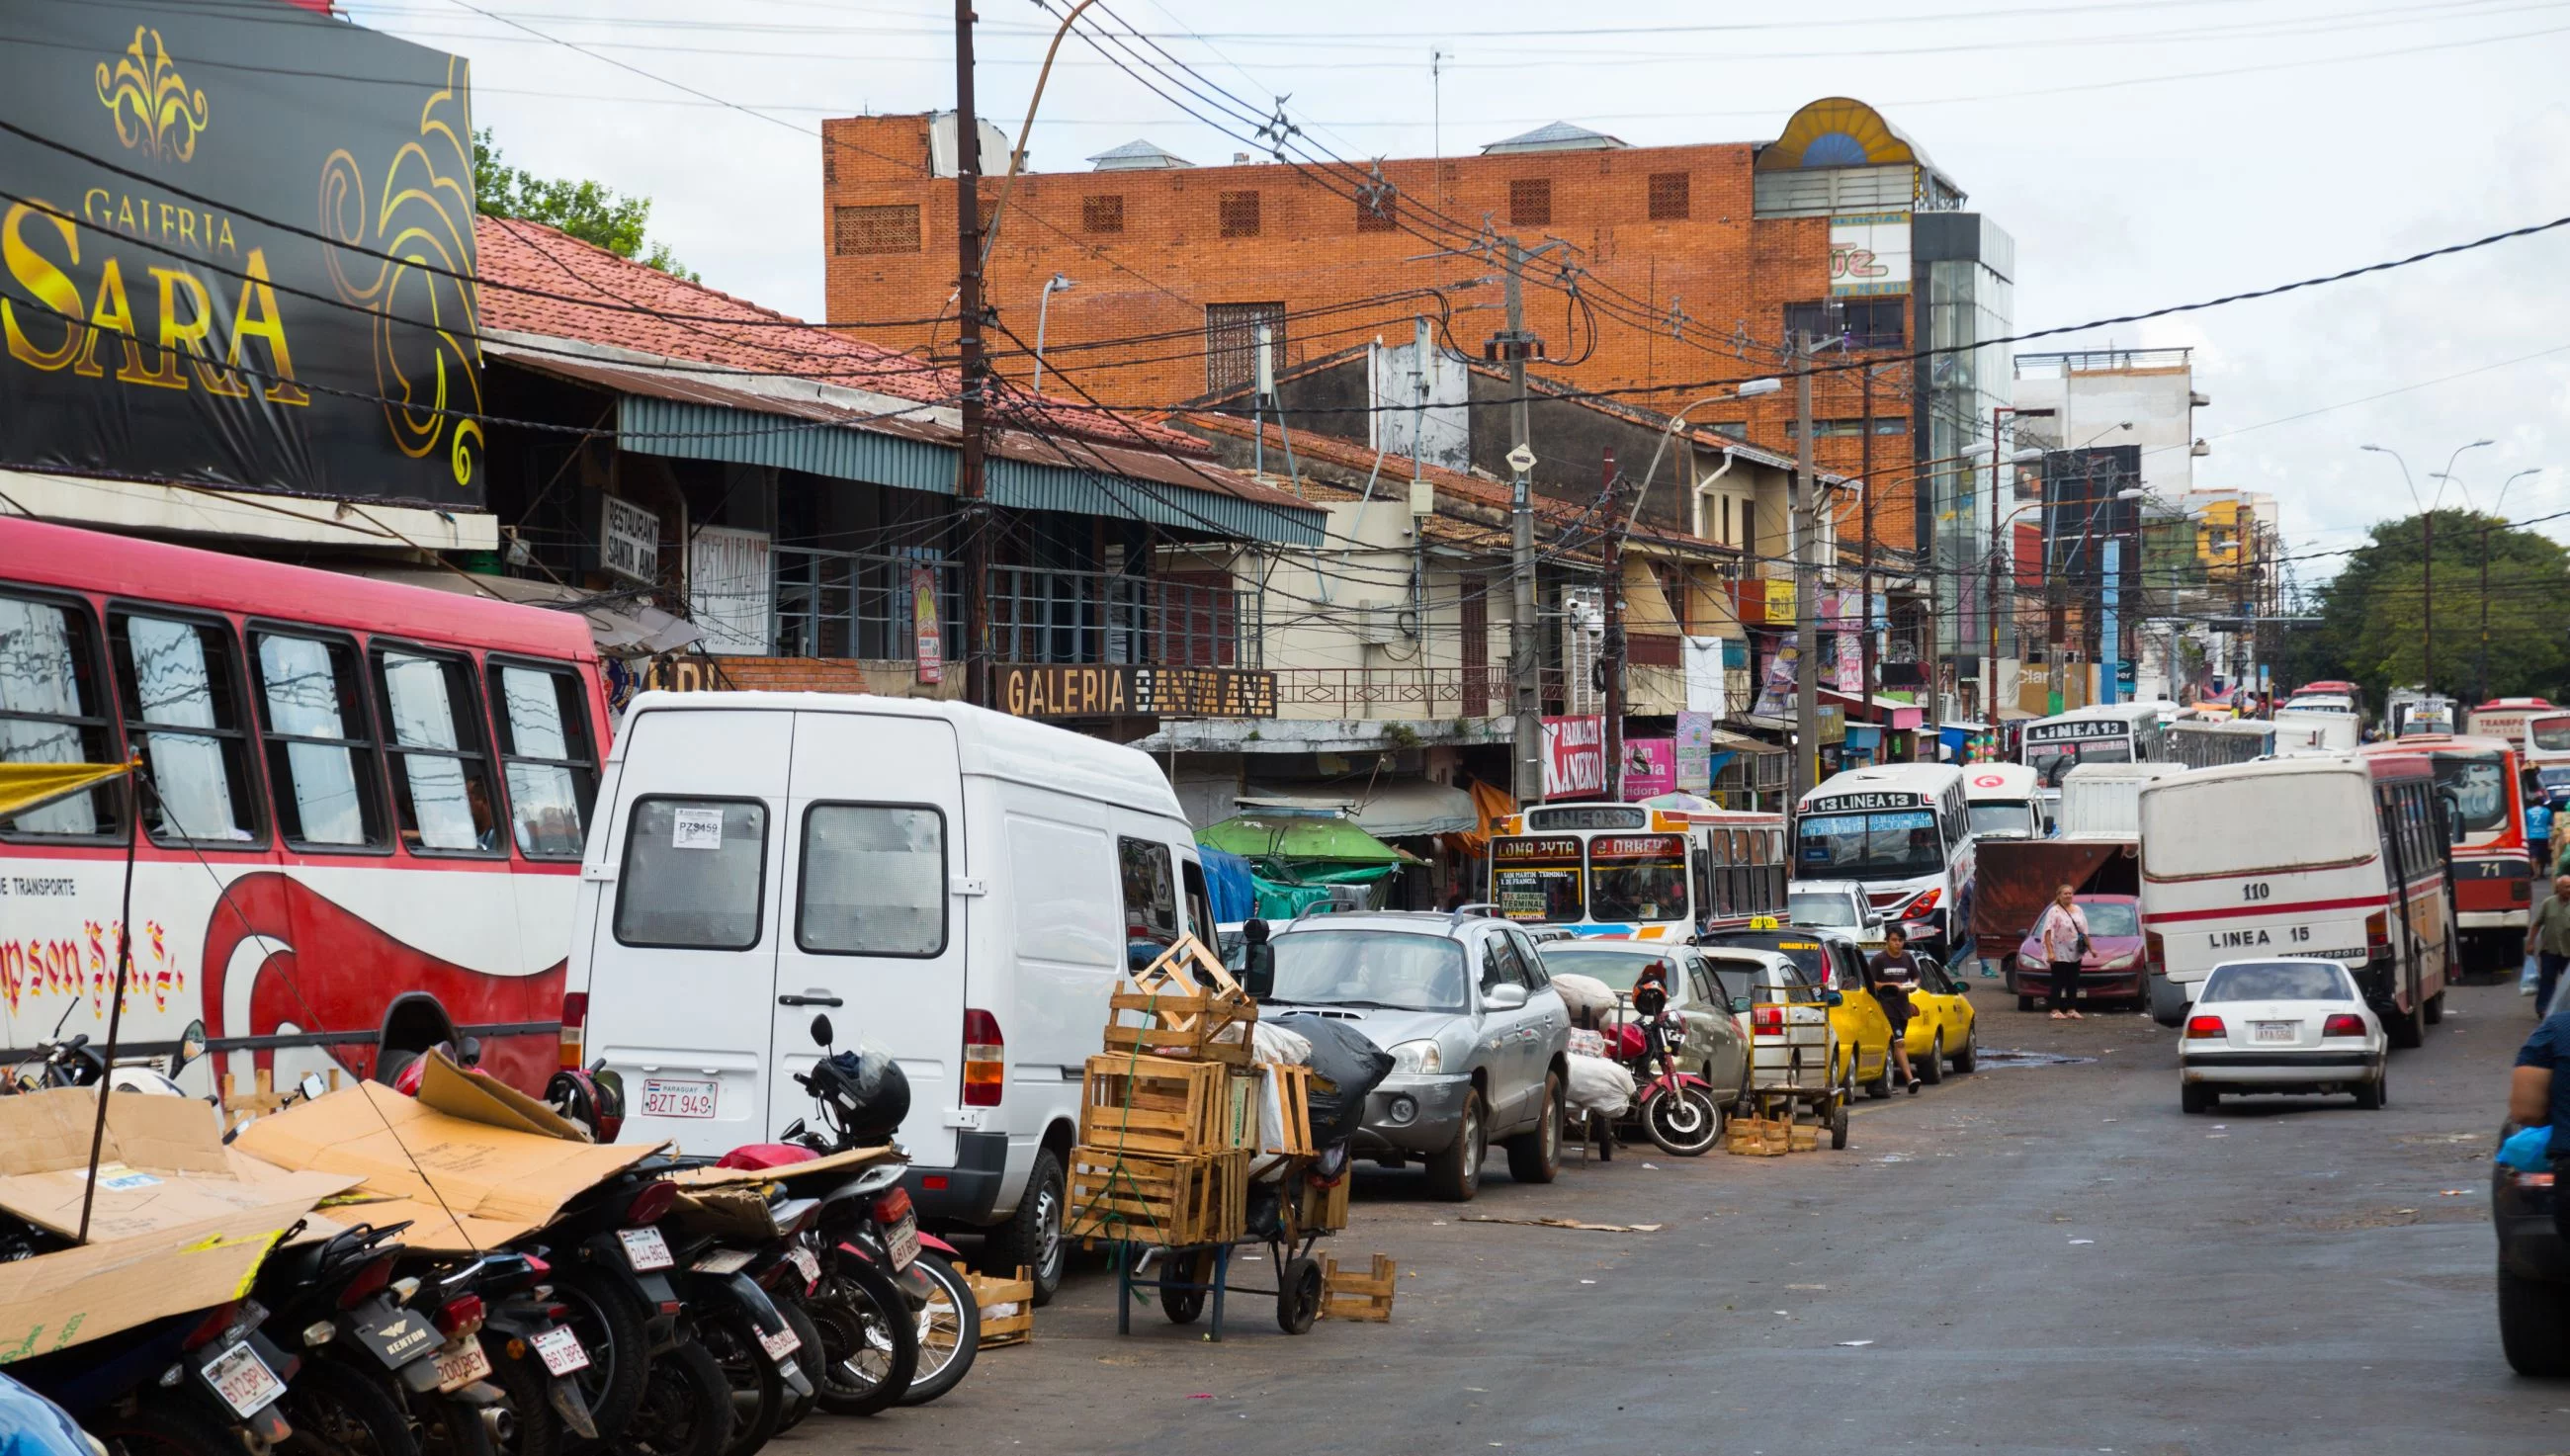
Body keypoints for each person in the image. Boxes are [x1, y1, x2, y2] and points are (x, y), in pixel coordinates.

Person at [1866, 927, 1925, 1094]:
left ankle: (1884, 1083)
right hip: (1886, 1007)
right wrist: (1889, 986)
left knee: (1893, 1045)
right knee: (1899, 1042)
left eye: (1900, 940)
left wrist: (1913, 985)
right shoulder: (1879, 960)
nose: (1897, 943)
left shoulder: (1907, 958)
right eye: (1894, 940)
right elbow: (1871, 983)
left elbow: (1916, 977)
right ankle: (1909, 1079)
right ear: (1887, 941)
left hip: (1902, 1007)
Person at [2032, 883, 2091, 1021]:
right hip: (2059, 951)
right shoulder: (2054, 911)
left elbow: (2084, 930)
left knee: (2073, 981)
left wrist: (2091, 948)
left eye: (2070, 893)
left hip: (2075, 951)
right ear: (2059, 895)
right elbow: (2047, 932)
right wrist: (2050, 952)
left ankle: (2071, 1009)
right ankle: (2055, 1009)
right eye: (2065, 893)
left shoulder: (2078, 910)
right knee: (2057, 981)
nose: (2068, 895)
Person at [2527, 874, 2570, 1017]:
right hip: (2550, 949)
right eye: (2567, 887)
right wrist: (2531, 943)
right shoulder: (2548, 903)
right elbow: (2537, 924)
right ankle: (2543, 1008)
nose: (2569, 889)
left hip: (2568, 950)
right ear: (2558, 888)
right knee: (2547, 980)